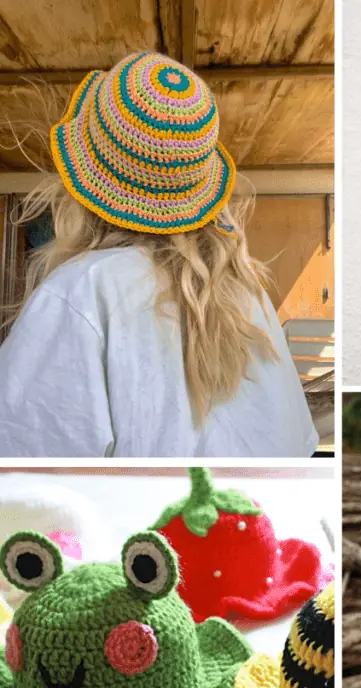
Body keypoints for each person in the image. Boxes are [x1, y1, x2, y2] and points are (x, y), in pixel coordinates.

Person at [0, 52, 316, 456]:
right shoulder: (246, 294)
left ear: (83, 180)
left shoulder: (80, 292)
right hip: (261, 519)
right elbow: (294, 446)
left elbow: (24, 482)